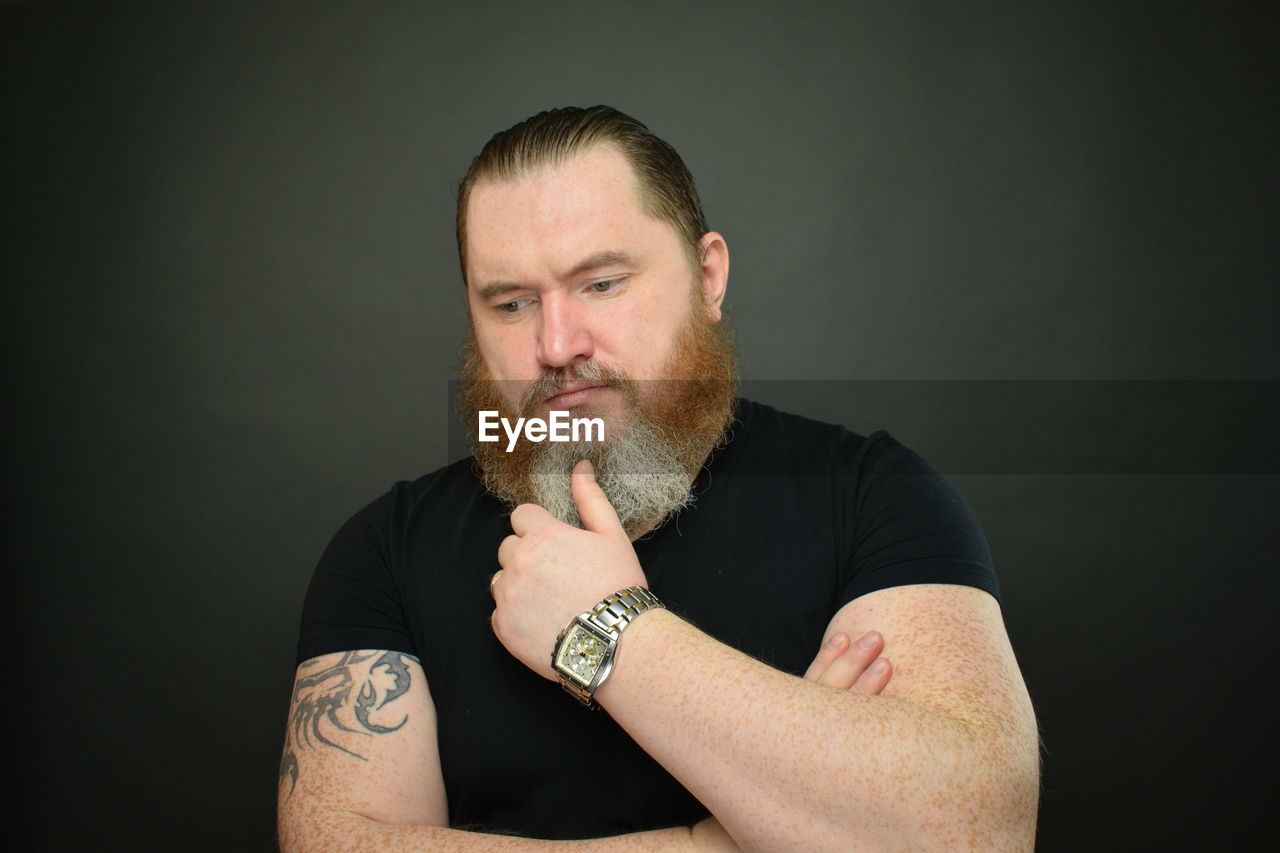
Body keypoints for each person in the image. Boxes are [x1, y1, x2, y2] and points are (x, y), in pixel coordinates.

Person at [277, 105, 1040, 851]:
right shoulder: (384, 549)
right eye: (511, 303)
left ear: (708, 276)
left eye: (601, 284)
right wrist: (724, 839)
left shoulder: (876, 497)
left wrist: (610, 629)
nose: (554, 343)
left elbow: (976, 831)